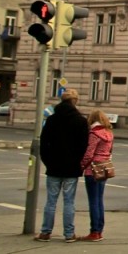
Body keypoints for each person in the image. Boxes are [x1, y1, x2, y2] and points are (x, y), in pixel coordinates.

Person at [35, 89, 89, 243]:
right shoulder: (80, 121)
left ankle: (45, 232)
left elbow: (44, 144)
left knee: (51, 201)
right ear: (75, 101)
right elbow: (83, 146)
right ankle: (69, 234)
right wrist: (77, 162)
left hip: (54, 166)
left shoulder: (52, 119)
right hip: (72, 168)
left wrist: (48, 161)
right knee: (69, 202)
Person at [80, 109, 114, 242]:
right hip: (105, 167)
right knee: (99, 200)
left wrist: (81, 166)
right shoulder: (109, 134)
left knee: (93, 201)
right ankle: (99, 230)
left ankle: (94, 231)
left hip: (92, 169)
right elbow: (110, 151)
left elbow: (89, 153)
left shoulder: (94, 134)